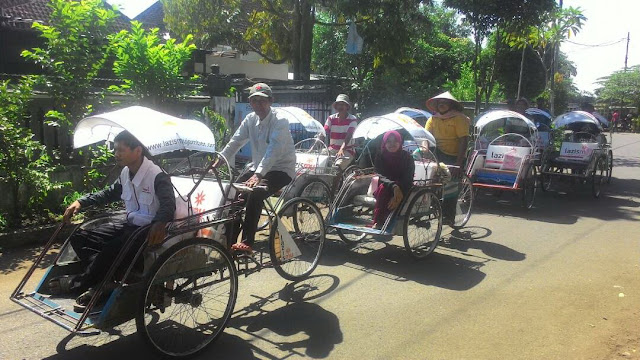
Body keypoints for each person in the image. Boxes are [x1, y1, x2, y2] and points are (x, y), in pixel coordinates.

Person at [51, 130, 176, 311]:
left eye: (121, 150)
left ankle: (79, 283)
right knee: (80, 236)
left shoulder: (157, 175)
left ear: (137, 150)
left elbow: (168, 204)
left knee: (110, 250)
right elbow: (109, 193)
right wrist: (81, 202)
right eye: (115, 150)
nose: (116, 154)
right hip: (129, 224)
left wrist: (160, 222)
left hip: (147, 231)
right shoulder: (126, 172)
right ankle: (104, 280)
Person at [220, 83, 296, 253]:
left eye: (262, 101)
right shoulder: (250, 119)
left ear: (270, 101)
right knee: (233, 193)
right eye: (254, 101)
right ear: (250, 102)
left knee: (256, 193)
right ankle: (227, 242)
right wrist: (219, 160)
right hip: (258, 167)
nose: (258, 105)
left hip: (281, 168)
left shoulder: (280, 121)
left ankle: (247, 242)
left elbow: (274, 150)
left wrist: (259, 174)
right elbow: (236, 141)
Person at [372, 131, 415, 228]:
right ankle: (379, 220)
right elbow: (379, 175)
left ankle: (380, 221)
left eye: (395, 141)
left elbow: (408, 178)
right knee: (383, 188)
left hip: (403, 187)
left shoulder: (407, 157)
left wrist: (399, 191)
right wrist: (394, 186)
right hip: (386, 185)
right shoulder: (380, 156)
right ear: (384, 143)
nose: (392, 144)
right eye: (389, 141)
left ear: (400, 142)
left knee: (384, 189)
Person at [424, 91, 471, 175]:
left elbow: (463, 140)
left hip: (454, 156)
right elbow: (426, 138)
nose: (442, 105)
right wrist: (425, 152)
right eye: (440, 103)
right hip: (437, 153)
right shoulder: (432, 119)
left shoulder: (459, 118)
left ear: (451, 105)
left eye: (445, 102)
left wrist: (458, 163)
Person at [319, 94, 358, 171]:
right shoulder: (331, 118)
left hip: (347, 149)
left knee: (337, 168)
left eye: (343, 104)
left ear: (347, 107)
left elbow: (349, 135)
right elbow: (324, 132)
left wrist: (342, 149)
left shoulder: (352, 119)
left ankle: (335, 183)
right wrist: (317, 142)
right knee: (319, 160)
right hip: (332, 149)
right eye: (339, 104)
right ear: (336, 106)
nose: (341, 107)